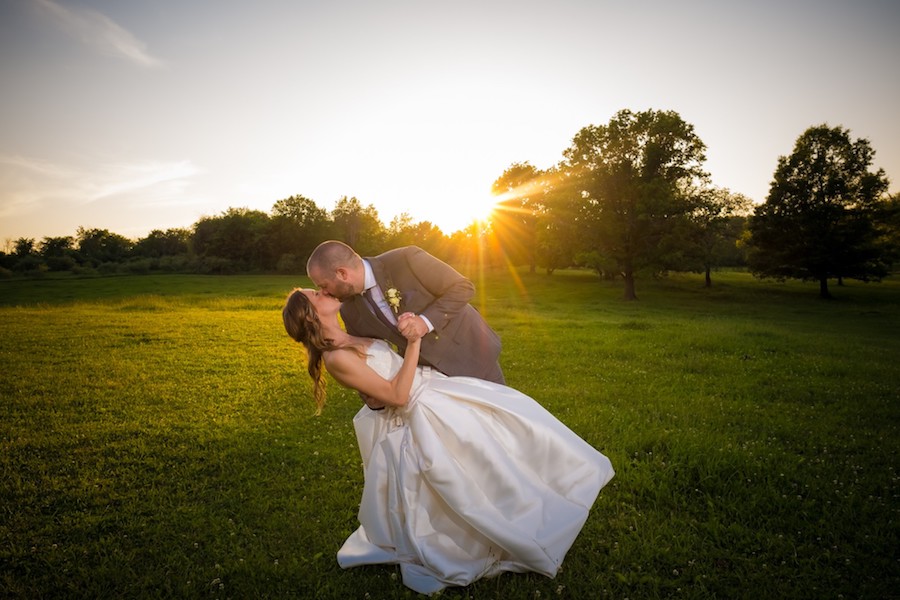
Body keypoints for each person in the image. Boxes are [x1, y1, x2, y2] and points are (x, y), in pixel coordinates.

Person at [282, 287, 615, 595]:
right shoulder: (336, 357)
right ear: (311, 314)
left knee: (507, 440)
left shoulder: (350, 334)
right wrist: (414, 342)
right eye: (316, 294)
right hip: (418, 411)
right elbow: (397, 394)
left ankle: (531, 503)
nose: (324, 291)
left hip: (435, 391)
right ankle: (495, 532)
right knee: (463, 471)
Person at [306, 241, 504, 394]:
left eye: (323, 285)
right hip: (429, 380)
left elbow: (462, 287)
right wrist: (373, 397)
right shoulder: (349, 310)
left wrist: (424, 322)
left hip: (472, 355)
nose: (325, 293)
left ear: (342, 273)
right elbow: (366, 357)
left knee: (502, 427)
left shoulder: (406, 259)